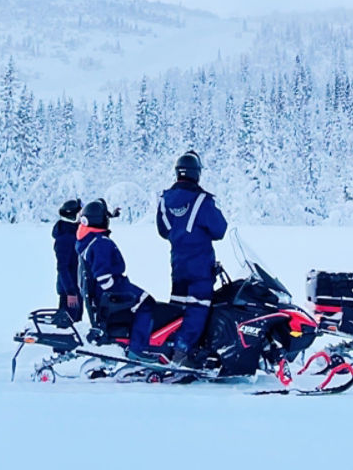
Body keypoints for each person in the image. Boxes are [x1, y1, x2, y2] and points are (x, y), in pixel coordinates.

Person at [156, 150, 228, 368]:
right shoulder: (202, 200)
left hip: (178, 262)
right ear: (197, 173)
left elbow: (163, 230)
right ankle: (183, 351)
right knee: (198, 307)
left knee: (178, 306)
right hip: (200, 263)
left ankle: (168, 347)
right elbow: (220, 229)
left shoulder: (165, 200)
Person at [76, 199, 159, 363]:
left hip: (106, 291)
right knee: (146, 303)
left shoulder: (88, 240)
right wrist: (118, 293)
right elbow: (104, 277)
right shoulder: (100, 243)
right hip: (113, 290)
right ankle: (137, 348)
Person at [52, 198, 83, 324]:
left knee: (75, 321)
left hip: (76, 285)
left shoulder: (72, 230)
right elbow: (62, 267)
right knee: (69, 323)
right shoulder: (65, 237)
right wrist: (70, 291)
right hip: (69, 288)